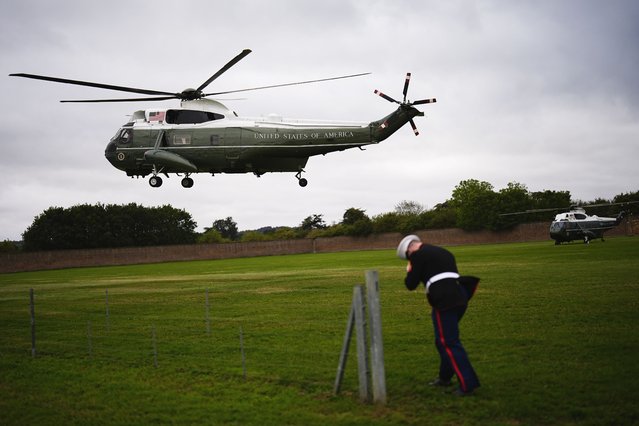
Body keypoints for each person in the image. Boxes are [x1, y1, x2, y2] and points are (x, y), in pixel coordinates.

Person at [397, 234, 481, 396]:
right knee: (442, 340)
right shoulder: (443, 251)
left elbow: (410, 284)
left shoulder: (417, 255)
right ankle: (444, 377)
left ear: (409, 250)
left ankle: (468, 383)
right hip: (461, 294)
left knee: (449, 342)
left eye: (408, 257)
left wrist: (410, 270)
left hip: (445, 299)